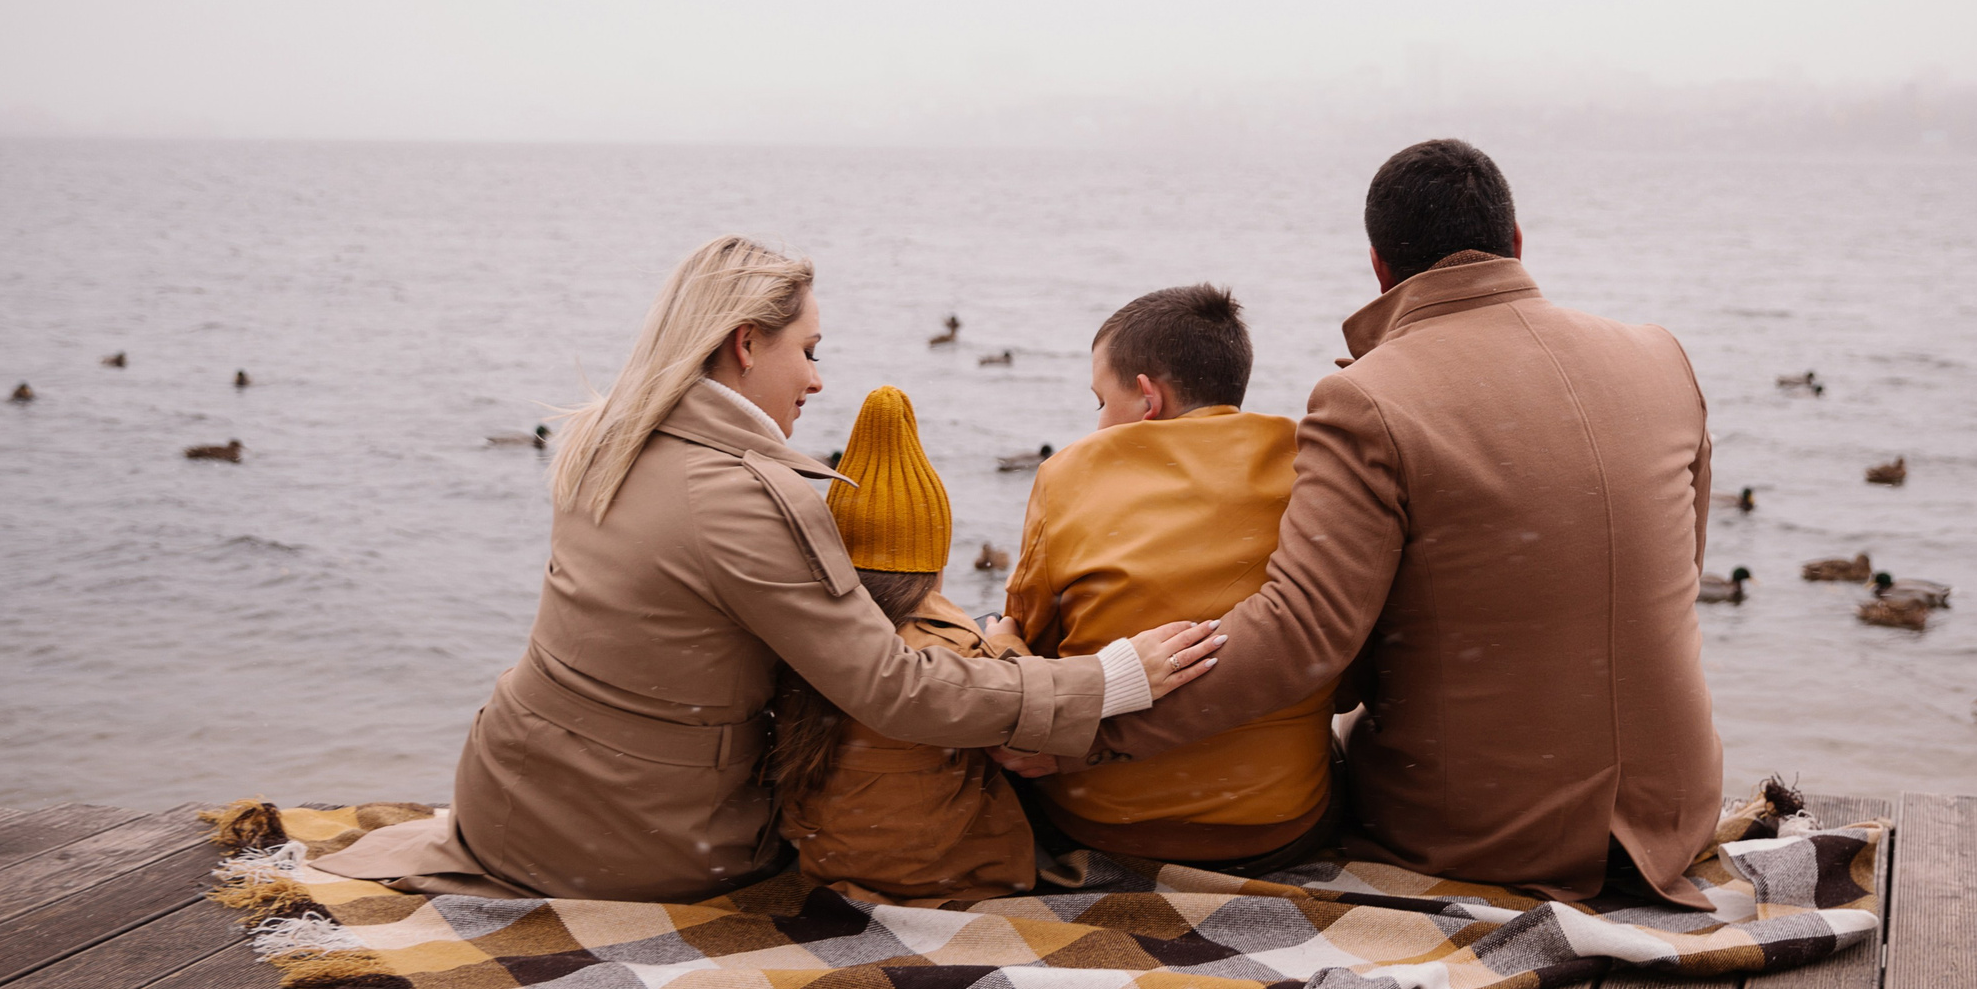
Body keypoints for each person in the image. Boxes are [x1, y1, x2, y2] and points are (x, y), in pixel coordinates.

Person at [312, 235, 1223, 903]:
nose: (819, 381)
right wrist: (1108, 680)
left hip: (505, 789)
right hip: (633, 843)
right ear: (746, 343)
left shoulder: (608, 436)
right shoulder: (745, 494)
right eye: (810, 351)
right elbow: (893, 688)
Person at [1012, 140, 1724, 908]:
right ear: (1516, 242)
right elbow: (1680, 568)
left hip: (1483, 832)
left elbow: (1300, 634)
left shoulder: (1369, 397)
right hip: (1676, 813)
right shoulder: (1662, 355)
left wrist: (1087, 728)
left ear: (1380, 268)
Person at [1002, 285, 1338, 872]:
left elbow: (1031, 637)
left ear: (1147, 397)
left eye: (1100, 402)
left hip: (1102, 822)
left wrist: (1000, 642)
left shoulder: (1069, 474)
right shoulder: (1309, 463)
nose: (1098, 423)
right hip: (1281, 825)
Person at [769, 385, 1038, 903]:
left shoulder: (799, 638)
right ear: (934, 563)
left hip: (829, 866)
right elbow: (1023, 730)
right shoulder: (955, 648)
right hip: (950, 879)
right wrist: (1006, 644)